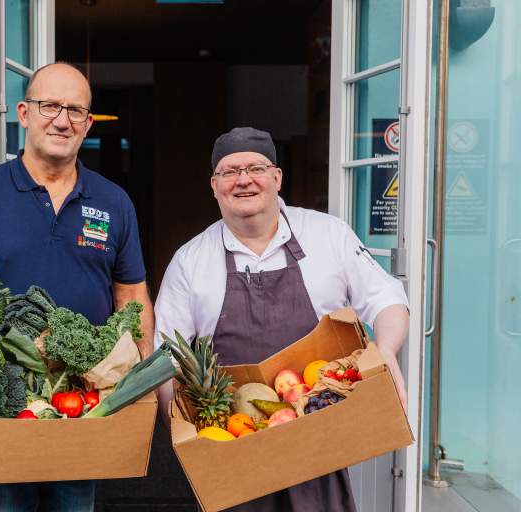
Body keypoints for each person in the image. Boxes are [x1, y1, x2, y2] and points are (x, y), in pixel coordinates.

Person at [0, 62, 153, 512]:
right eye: (49, 105)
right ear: (24, 112)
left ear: (89, 123)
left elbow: (130, 294)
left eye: (76, 110)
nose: (62, 119)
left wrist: (135, 379)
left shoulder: (114, 202)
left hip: (81, 403)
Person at [154, 127, 409, 511]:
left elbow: (387, 298)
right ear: (214, 185)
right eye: (229, 171)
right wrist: (187, 436)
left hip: (320, 438)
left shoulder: (328, 235)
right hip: (235, 451)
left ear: (277, 177)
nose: (243, 180)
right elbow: (164, 356)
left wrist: (386, 350)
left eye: (255, 167)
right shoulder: (191, 260)